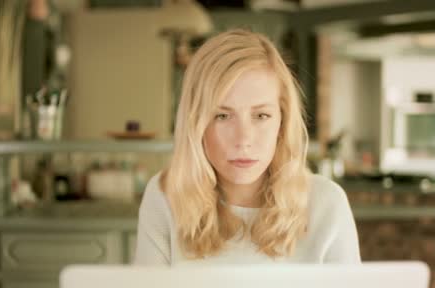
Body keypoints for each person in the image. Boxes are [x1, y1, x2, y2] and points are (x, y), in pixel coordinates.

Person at [134, 29, 360, 265]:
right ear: (195, 123)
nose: (243, 139)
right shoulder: (165, 196)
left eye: (261, 115)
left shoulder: (327, 204)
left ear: (282, 122)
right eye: (222, 116)